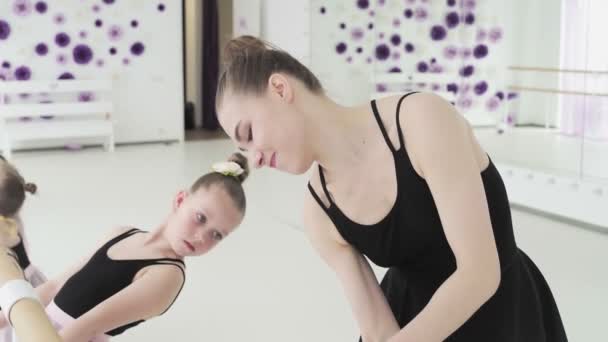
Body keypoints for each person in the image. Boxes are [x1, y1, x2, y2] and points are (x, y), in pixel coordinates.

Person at [215, 35, 567, 341]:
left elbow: (479, 272)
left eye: (248, 135)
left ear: (280, 89)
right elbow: (377, 329)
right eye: (244, 150)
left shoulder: (421, 120)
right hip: (410, 323)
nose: (256, 159)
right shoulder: (318, 213)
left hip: (504, 315)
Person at [0, 153, 249, 342]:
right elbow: (55, 286)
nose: (200, 237)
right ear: (181, 199)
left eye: (216, 235)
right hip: (35, 330)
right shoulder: (121, 233)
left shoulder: (167, 275)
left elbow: (90, 325)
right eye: (201, 218)